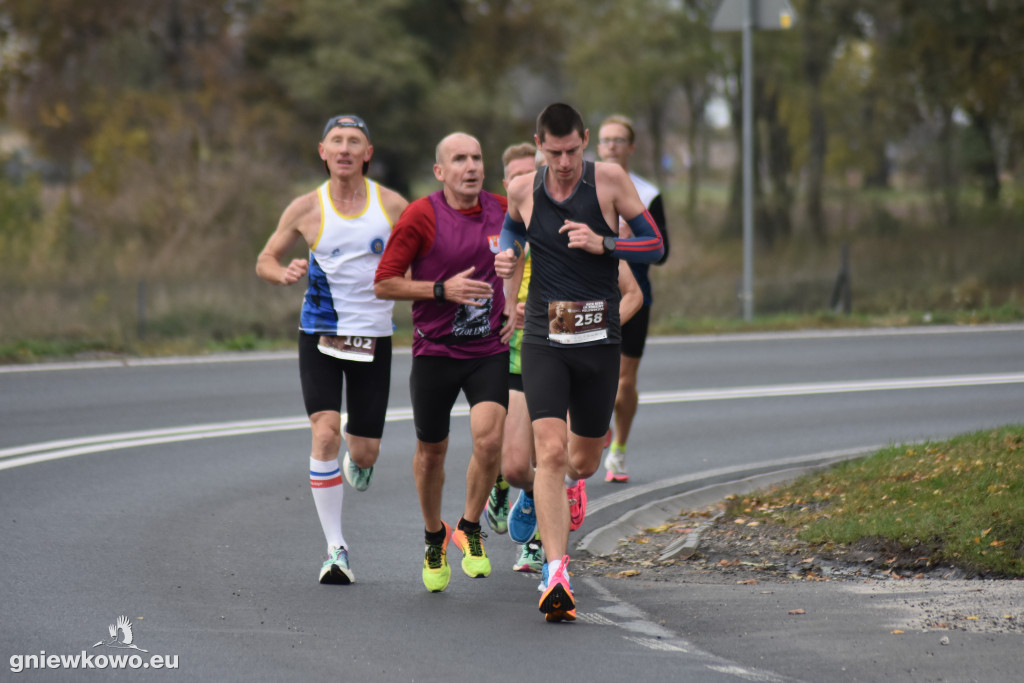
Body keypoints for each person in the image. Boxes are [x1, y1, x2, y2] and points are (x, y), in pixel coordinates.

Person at [495, 103, 664, 622]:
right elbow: (511, 239)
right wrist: (507, 268)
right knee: (548, 451)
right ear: (539, 145)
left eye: (573, 151)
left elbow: (657, 246)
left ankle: (571, 488)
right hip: (545, 338)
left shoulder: (609, 180)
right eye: (554, 152)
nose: (564, 162)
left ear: (585, 142)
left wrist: (604, 242)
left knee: (582, 461)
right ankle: (555, 572)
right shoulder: (525, 189)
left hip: (598, 343)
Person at [255, 114, 408, 585]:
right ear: (322, 151)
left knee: (364, 453)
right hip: (319, 334)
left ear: (368, 153)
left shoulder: (395, 206)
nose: (344, 149)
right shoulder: (305, 208)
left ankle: (356, 459)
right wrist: (278, 273)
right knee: (325, 432)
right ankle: (335, 549)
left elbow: (427, 255)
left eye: (354, 142)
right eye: (336, 141)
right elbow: (264, 258)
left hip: (374, 338)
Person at [374, 132, 510, 593]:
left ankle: (468, 527)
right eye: (459, 159)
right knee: (432, 454)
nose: (471, 166)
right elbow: (385, 283)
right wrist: (440, 289)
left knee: (490, 441)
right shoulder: (422, 215)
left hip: (487, 348)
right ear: (440, 171)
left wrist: (516, 306)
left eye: (476, 157)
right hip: (435, 350)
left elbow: (528, 259)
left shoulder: (504, 210)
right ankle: (434, 534)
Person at [596, 115, 671, 483]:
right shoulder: (581, 187)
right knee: (586, 378)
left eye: (619, 140)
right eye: (606, 140)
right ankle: (588, 436)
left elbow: (661, 252)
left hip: (632, 298)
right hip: (587, 295)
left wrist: (624, 241)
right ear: (596, 145)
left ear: (631, 147)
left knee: (624, 383)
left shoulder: (647, 194)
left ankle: (618, 450)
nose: (611, 146)